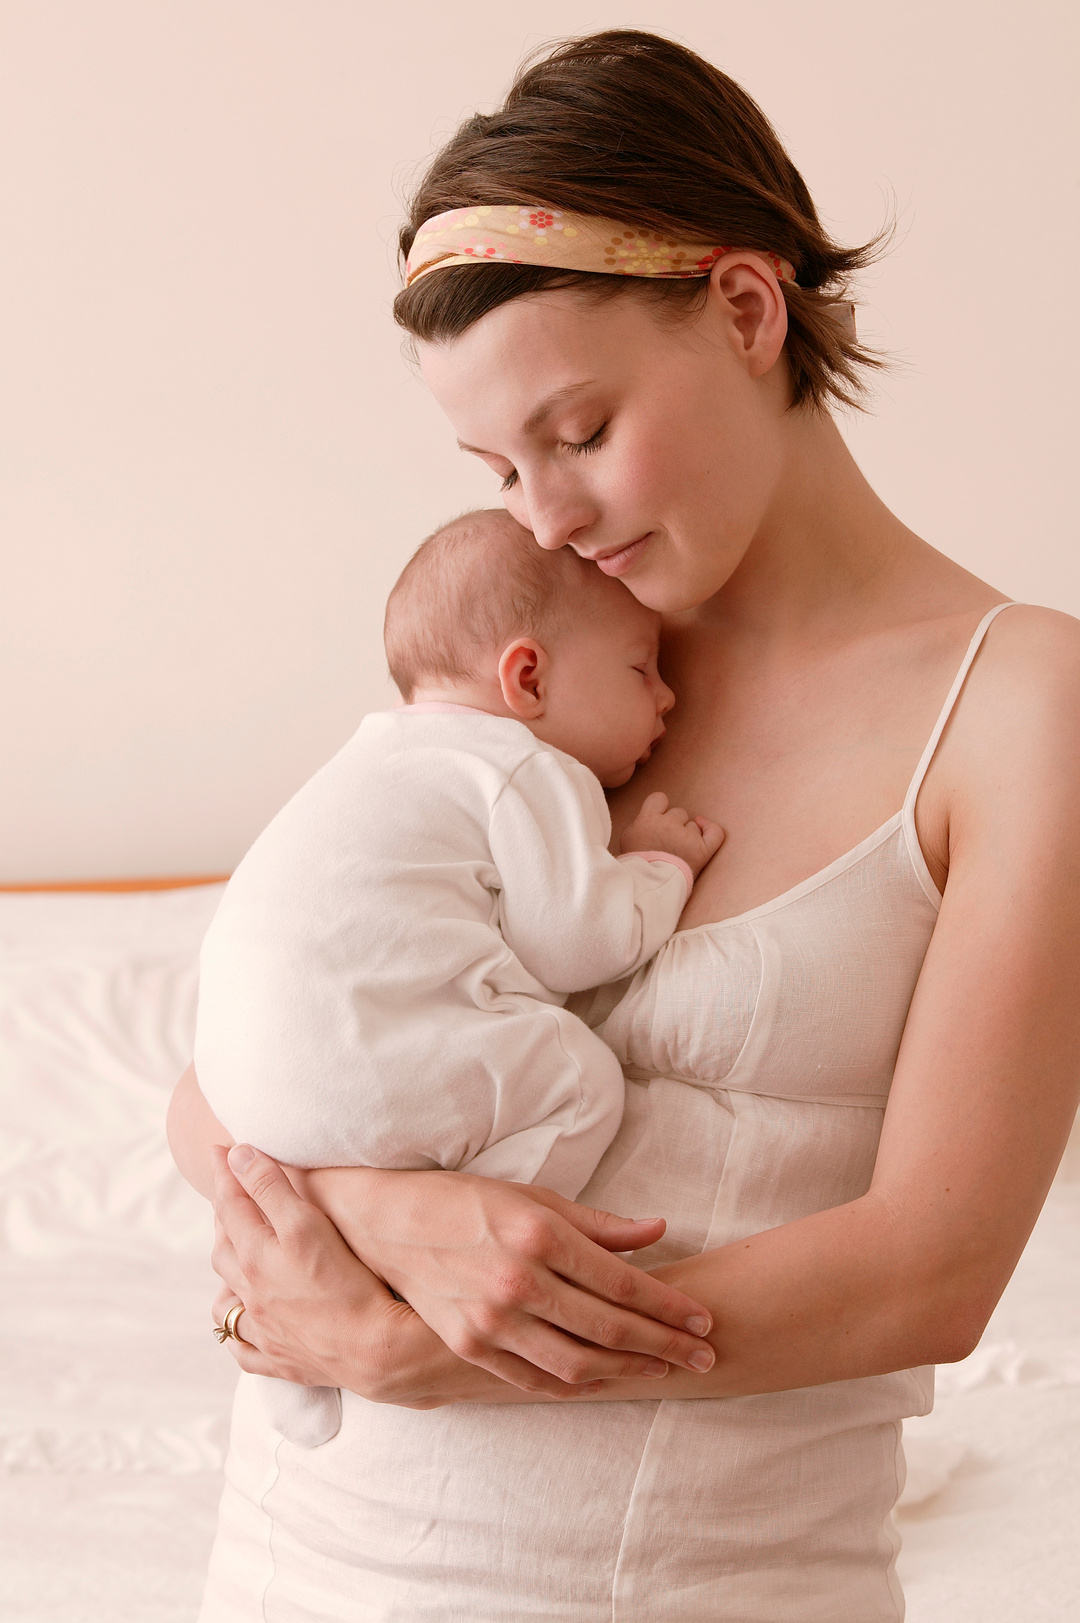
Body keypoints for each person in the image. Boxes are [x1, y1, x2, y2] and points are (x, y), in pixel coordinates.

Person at [167, 28, 1080, 1621]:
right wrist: (389, 1224)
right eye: (498, 464)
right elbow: (240, 1057)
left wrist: (447, 1354)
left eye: (579, 434)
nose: (547, 516)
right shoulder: (546, 666)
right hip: (297, 1558)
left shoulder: (1019, 705)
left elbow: (934, 1270)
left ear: (744, 308)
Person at [192, 508, 721, 1447]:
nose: (668, 700)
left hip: (254, 1103)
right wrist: (653, 866)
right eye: (642, 669)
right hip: (361, 1078)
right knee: (579, 1077)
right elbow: (579, 944)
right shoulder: (524, 769)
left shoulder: (373, 763)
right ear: (528, 678)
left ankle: (299, 1350)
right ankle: (464, 1248)